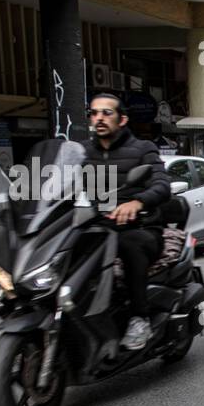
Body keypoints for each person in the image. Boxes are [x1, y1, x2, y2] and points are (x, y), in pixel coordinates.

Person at [83, 92, 172, 351]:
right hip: (95, 228)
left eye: (106, 113)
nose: (99, 118)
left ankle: (139, 318)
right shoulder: (83, 153)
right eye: (94, 113)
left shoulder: (143, 149)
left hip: (140, 227)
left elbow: (161, 184)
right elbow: (58, 186)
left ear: (122, 119)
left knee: (129, 245)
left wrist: (138, 202)